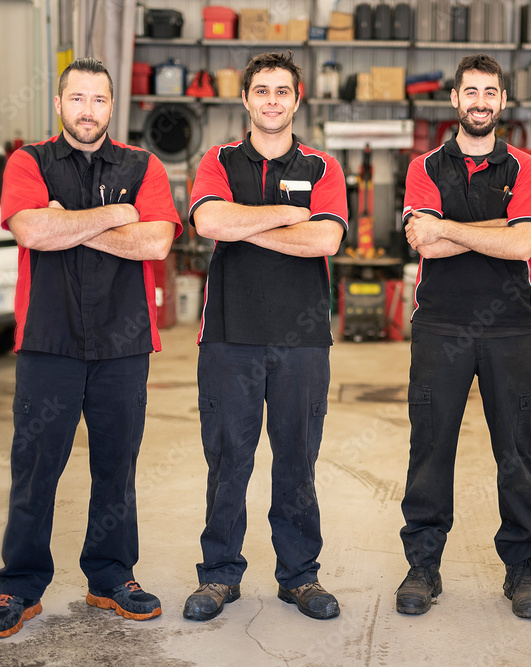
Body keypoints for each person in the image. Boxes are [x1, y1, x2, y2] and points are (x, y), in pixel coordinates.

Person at [0, 57, 182, 638]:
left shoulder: (143, 166)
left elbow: (157, 242)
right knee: (36, 468)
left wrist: (78, 221)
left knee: (116, 466)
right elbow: (33, 231)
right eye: (77, 99)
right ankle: (18, 586)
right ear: (60, 104)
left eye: (98, 100)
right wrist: (117, 215)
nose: (87, 110)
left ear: (111, 107)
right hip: (48, 340)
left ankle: (111, 577)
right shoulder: (30, 161)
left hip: (124, 343)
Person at [182, 52, 347, 622]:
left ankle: (300, 577)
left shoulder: (324, 167)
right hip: (229, 335)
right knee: (229, 459)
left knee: (297, 459)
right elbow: (208, 222)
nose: (272, 100)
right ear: (246, 99)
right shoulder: (219, 159)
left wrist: (248, 223)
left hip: (303, 339)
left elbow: (326, 240)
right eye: (262, 91)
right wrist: (286, 217)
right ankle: (219, 575)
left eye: (282, 91)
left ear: (298, 99)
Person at [397, 54, 531, 618]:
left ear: (503, 101)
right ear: (455, 100)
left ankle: (520, 568)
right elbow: (425, 243)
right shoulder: (425, 167)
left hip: (510, 327)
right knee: (431, 448)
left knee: (515, 449)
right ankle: (423, 565)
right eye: (471, 92)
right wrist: (496, 228)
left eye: (491, 92)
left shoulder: (526, 167)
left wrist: (451, 227)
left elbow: (523, 245)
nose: (481, 101)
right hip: (440, 324)